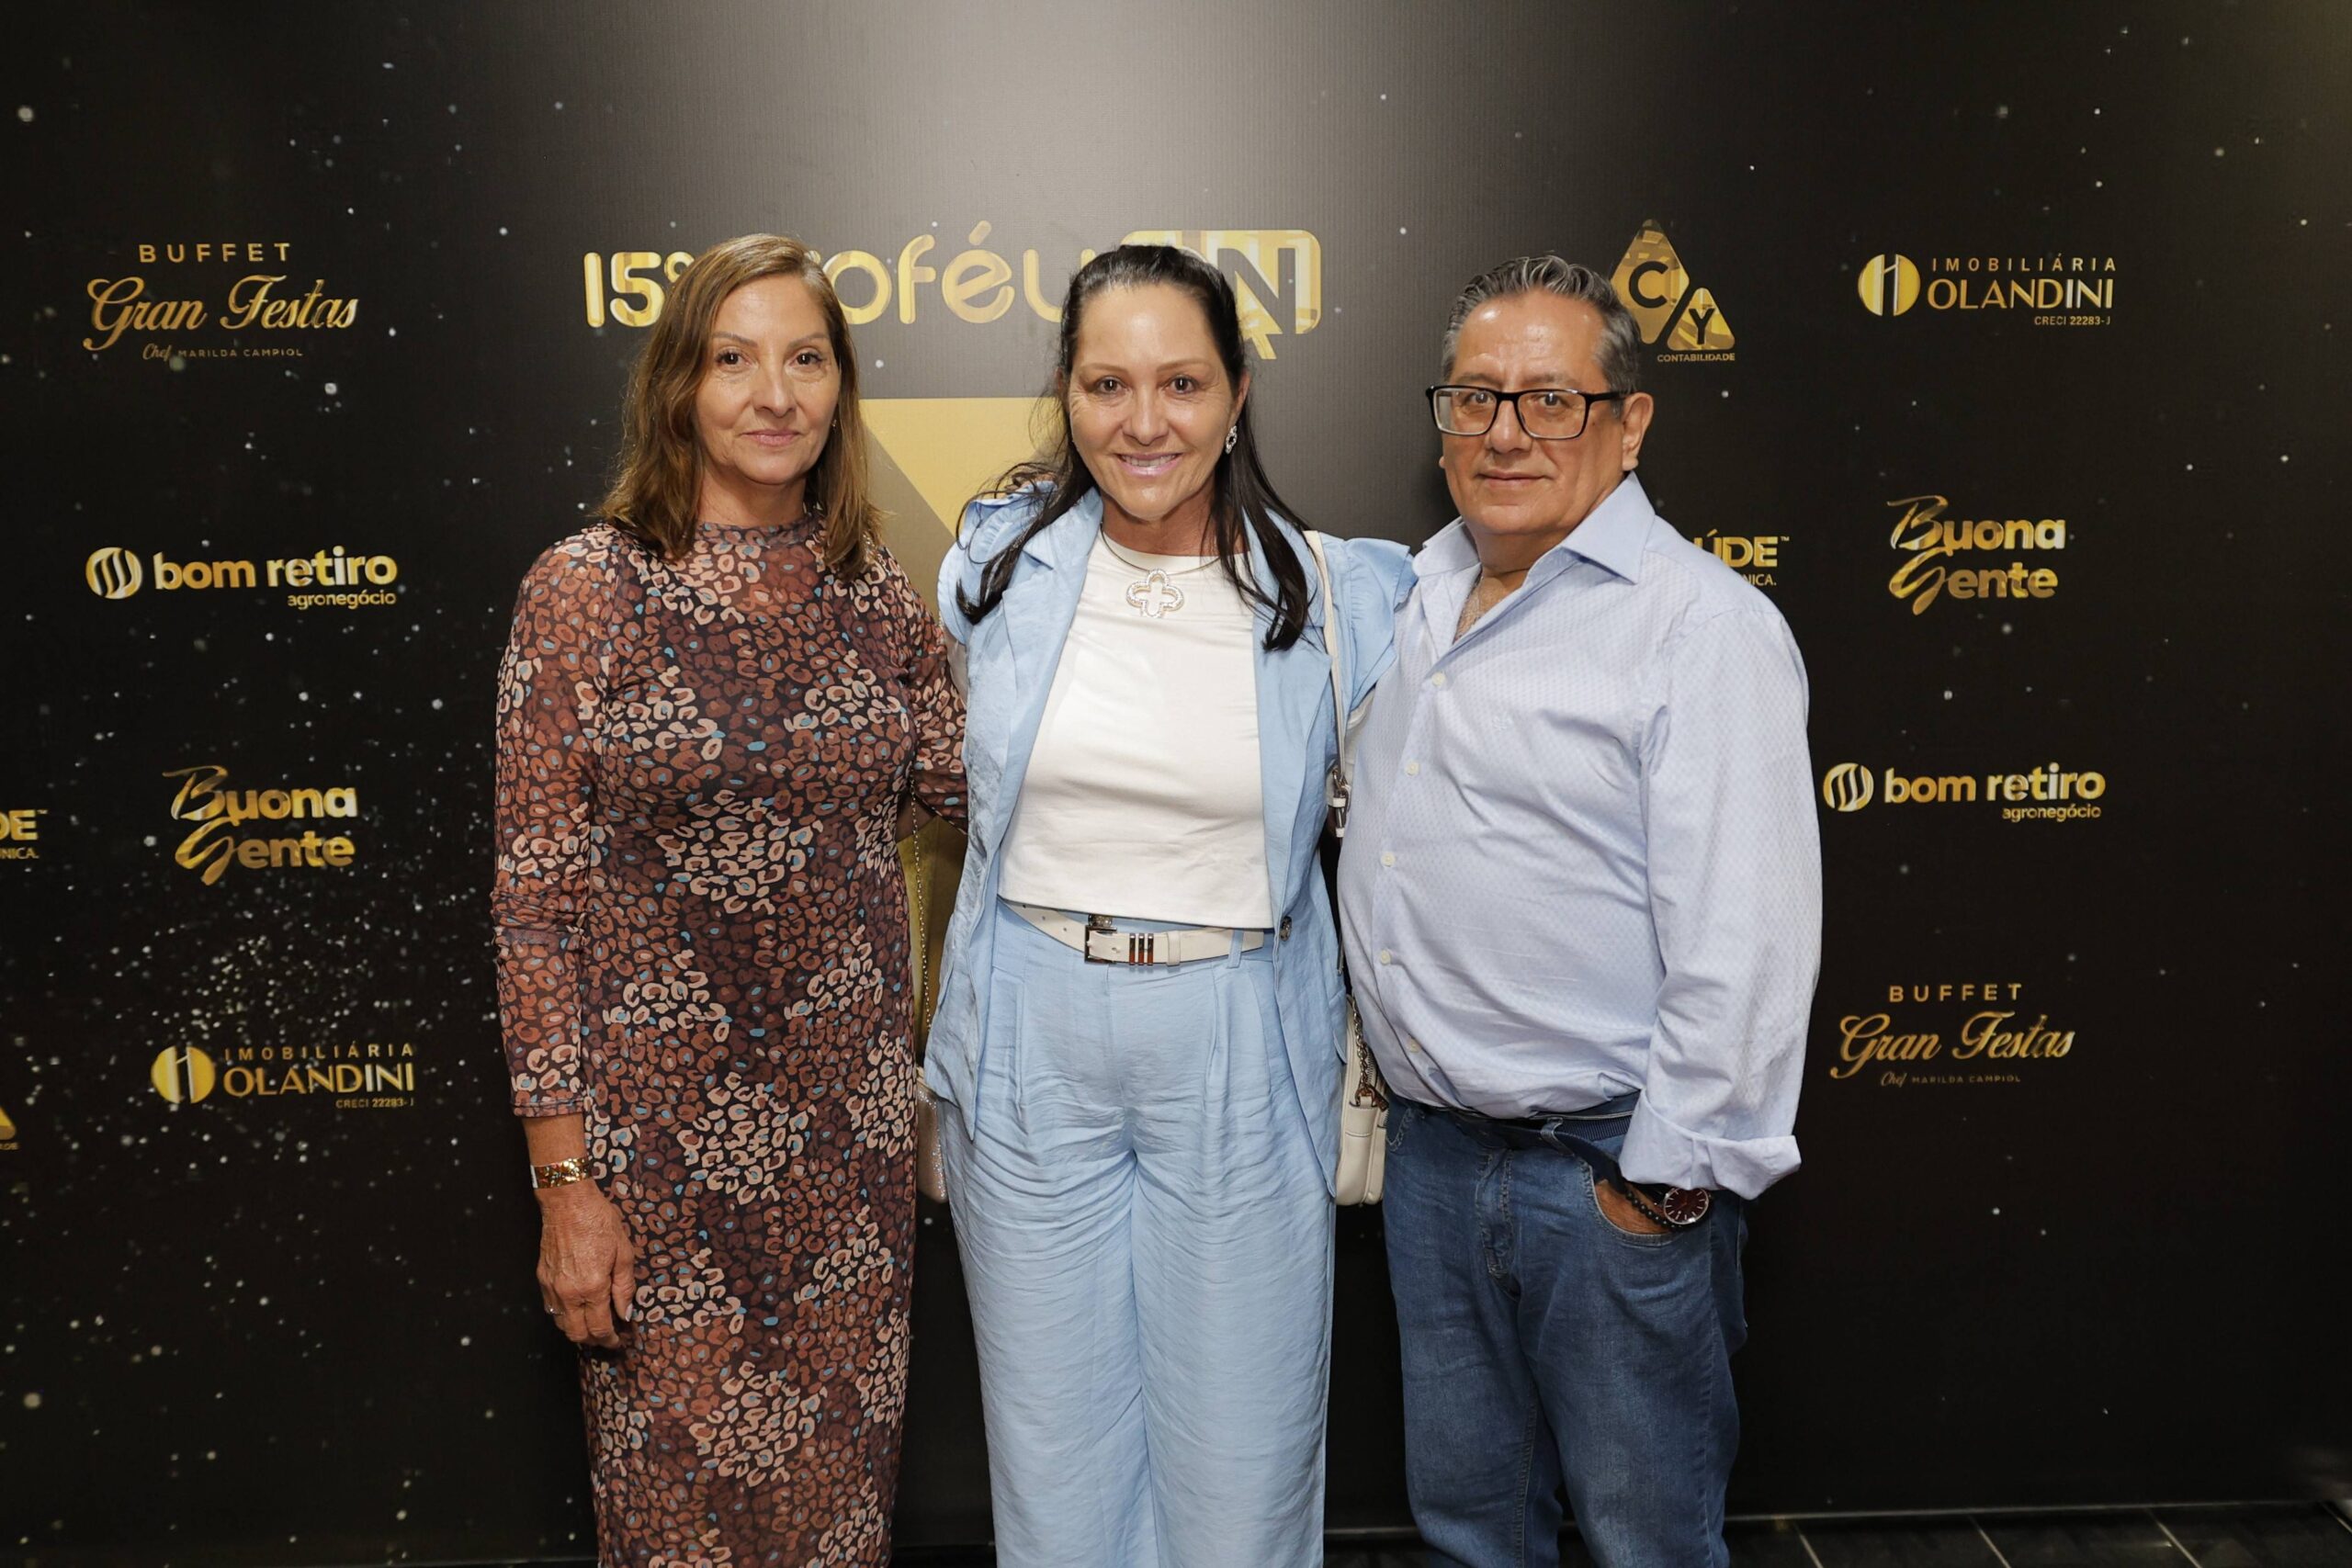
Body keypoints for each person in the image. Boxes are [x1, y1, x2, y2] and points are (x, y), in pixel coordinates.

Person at [924, 243, 1411, 1568]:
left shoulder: (1342, 593)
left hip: (1238, 1031)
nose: (1144, 422)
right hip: (1027, 1028)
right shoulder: (993, 569)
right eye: (1107, 384)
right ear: (1067, 394)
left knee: (1243, 1456)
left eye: (1182, 383)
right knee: (1052, 1452)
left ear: (1239, 392)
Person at [1336, 256, 1821, 1568]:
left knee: (1643, 1539)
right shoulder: (1408, 598)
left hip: (1608, 1175)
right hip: (1435, 1164)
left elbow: (1748, 941)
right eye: (1475, 397)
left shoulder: (1699, 628)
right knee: (1468, 1530)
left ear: (1632, 421)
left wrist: (1662, 1189)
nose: (1505, 432)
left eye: (1552, 399)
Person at [491, 232, 965, 1567]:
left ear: (841, 388)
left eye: (806, 359)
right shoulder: (588, 589)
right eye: (734, 359)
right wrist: (565, 1184)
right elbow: (533, 908)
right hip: (653, 1163)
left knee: (837, 1515)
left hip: (849, 1156)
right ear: (678, 388)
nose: (774, 394)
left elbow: (975, 785)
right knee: (681, 1525)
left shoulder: (875, 594)